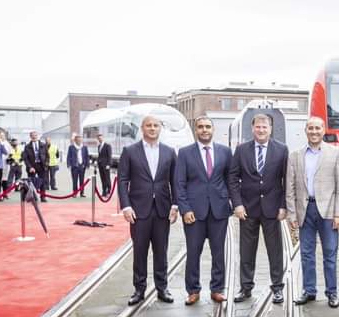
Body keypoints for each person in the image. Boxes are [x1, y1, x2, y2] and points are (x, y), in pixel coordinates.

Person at [118, 115, 179, 306]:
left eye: (156, 125)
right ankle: (139, 289)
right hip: (138, 210)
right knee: (140, 251)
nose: (152, 128)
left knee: (161, 251)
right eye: (148, 125)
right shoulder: (130, 151)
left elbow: (175, 181)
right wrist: (126, 206)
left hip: (162, 209)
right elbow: (122, 180)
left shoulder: (169, 152)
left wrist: (175, 205)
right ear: (142, 129)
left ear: (160, 128)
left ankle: (162, 288)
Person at [228, 114, 289, 304]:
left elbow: (286, 180)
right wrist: (237, 204)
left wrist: (283, 206)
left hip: (272, 209)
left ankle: (277, 288)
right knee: (246, 251)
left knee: (275, 251)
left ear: (270, 129)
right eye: (258, 127)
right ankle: (245, 288)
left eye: (265, 127)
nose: (261, 130)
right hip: (247, 209)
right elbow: (233, 178)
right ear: (252, 128)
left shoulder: (281, 150)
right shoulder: (241, 150)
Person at [286, 116, 339, 308]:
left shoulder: (335, 153)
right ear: (305, 130)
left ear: (323, 130)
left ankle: (332, 293)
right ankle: (309, 291)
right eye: (310, 128)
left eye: (317, 128)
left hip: (327, 211)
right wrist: (292, 214)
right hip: (305, 210)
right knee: (306, 253)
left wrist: (338, 213)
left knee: (330, 253)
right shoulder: (295, 155)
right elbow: (290, 187)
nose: (314, 132)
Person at [176, 116, 233, 305]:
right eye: (200, 127)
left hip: (219, 211)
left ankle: (217, 289)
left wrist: (232, 202)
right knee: (193, 252)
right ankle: (193, 290)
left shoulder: (225, 152)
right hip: (194, 212)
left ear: (213, 129)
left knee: (219, 252)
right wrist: (184, 209)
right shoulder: (184, 153)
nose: (204, 130)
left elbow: (230, 180)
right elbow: (179, 183)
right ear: (195, 130)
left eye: (208, 126)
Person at [23, 130, 48, 203]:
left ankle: (43, 197)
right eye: (32, 136)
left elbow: (47, 156)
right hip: (32, 167)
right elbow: (25, 158)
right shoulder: (27, 147)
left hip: (41, 166)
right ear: (30, 137)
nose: (34, 137)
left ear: (38, 136)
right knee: (31, 183)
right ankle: (33, 197)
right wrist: (30, 167)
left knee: (42, 182)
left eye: (35, 135)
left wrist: (46, 164)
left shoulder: (43, 145)